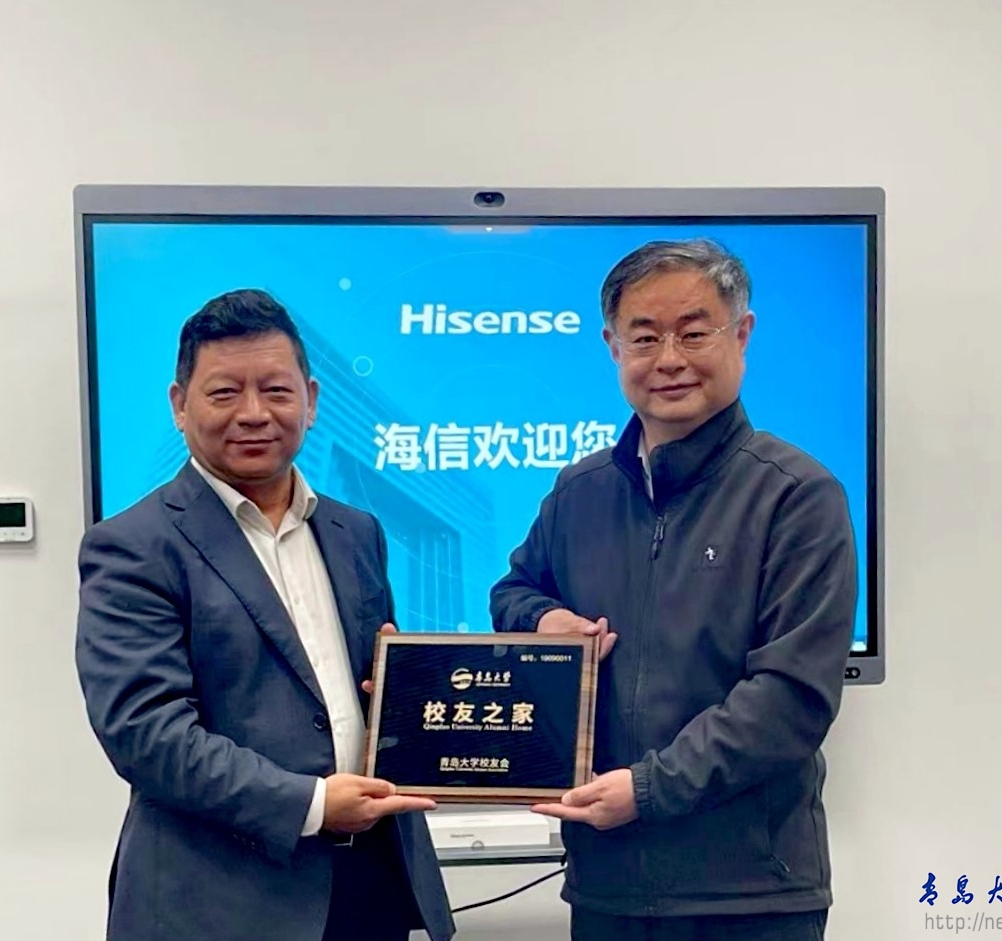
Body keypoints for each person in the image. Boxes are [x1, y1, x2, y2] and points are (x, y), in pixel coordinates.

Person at [490, 239, 857, 941]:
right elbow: (513, 590)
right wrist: (542, 620)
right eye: (644, 337)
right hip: (608, 886)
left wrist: (647, 789)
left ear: (741, 334)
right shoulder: (579, 491)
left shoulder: (796, 495)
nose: (668, 359)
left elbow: (791, 699)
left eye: (693, 333)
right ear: (612, 346)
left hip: (749, 895)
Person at [75, 289, 454, 941]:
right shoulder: (132, 546)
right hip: (219, 902)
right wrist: (312, 803)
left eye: (276, 391)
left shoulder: (356, 531)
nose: (253, 414)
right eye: (224, 393)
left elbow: (370, 690)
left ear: (311, 400)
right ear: (179, 404)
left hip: (369, 882)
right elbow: (146, 733)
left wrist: (403, 692)